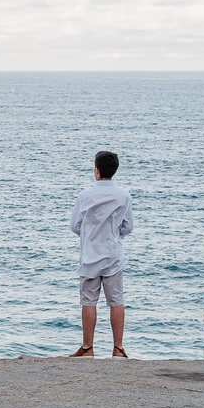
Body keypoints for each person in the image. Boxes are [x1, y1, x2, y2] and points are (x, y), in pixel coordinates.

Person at [69, 150, 134, 358]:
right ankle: (118, 348)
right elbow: (128, 227)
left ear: (96, 170)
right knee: (116, 301)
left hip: (90, 255)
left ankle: (88, 348)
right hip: (113, 254)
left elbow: (75, 225)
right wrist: (113, 233)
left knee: (88, 301)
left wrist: (90, 233)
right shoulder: (124, 195)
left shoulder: (85, 195)